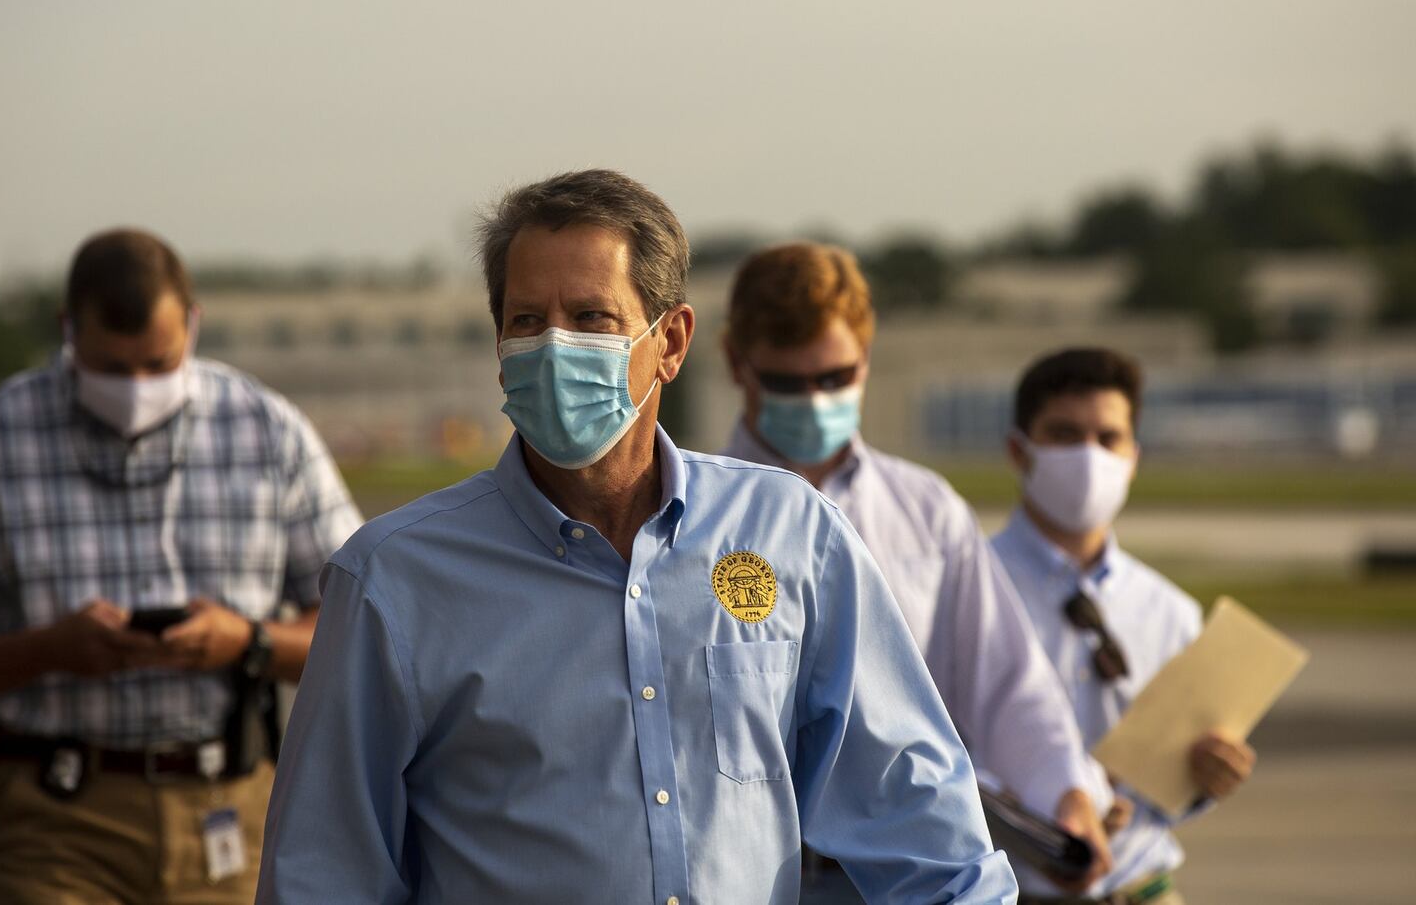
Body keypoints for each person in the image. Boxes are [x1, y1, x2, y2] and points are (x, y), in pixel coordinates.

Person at [258, 170, 1018, 904]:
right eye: (527, 321)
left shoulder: (791, 532)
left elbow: (922, 824)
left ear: (673, 342)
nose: (554, 350)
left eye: (591, 318)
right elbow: (326, 873)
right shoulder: (395, 578)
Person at [0, 228, 363, 904]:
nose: (137, 391)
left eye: (158, 365)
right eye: (112, 370)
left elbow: (360, 626)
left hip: (226, 811)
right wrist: (46, 651)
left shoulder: (269, 434)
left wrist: (247, 642)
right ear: (68, 331)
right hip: (50, 819)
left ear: (193, 325)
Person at [719, 243, 1114, 899]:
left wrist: (1067, 792)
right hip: (753, 875)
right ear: (737, 363)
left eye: (837, 376)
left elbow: (1008, 682)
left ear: (867, 359)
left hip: (903, 877)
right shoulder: (694, 512)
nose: (816, 400)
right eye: (788, 382)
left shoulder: (925, 511)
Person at [990, 347, 1256, 905]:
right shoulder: (967, 591)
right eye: (1064, 435)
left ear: (1133, 455)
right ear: (1020, 450)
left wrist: (1208, 777)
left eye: (1107, 438)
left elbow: (1173, 791)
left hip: (1140, 888)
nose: (1089, 457)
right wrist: (1039, 818)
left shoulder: (1171, 611)